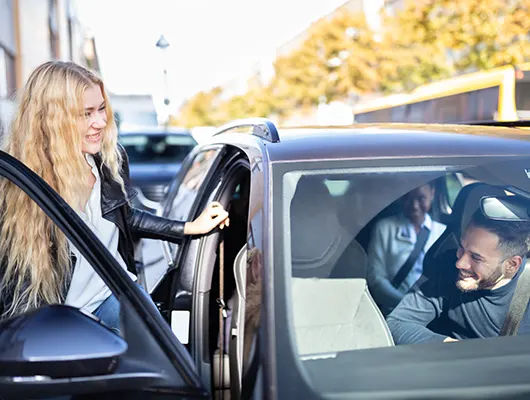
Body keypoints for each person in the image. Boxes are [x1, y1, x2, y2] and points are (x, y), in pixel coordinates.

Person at [0, 61, 229, 333]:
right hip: (64, 318)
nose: (100, 122)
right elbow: (19, 295)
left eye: (101, 109)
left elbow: (123, 216)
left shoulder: (105, 162)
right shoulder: (21, 187)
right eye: (86, 114)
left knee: (163, 349)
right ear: (52, 119)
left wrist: (188, 228)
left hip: (113, 294)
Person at [387, 210, 530, 344]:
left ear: (511, 264)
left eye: (475, 257)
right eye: (461, 248)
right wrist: (458, 350)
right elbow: (397, 324)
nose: (460, 263)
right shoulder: (446, 265)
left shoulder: (526, 294)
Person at [367, 183, 446, 315]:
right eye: (407, 198)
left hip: (434, 311)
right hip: (395, 310)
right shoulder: (384, 228)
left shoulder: (442, 232)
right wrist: (405, 304)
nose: (414, 205)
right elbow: (376, 279)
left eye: (421, 198)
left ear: (432, 194)